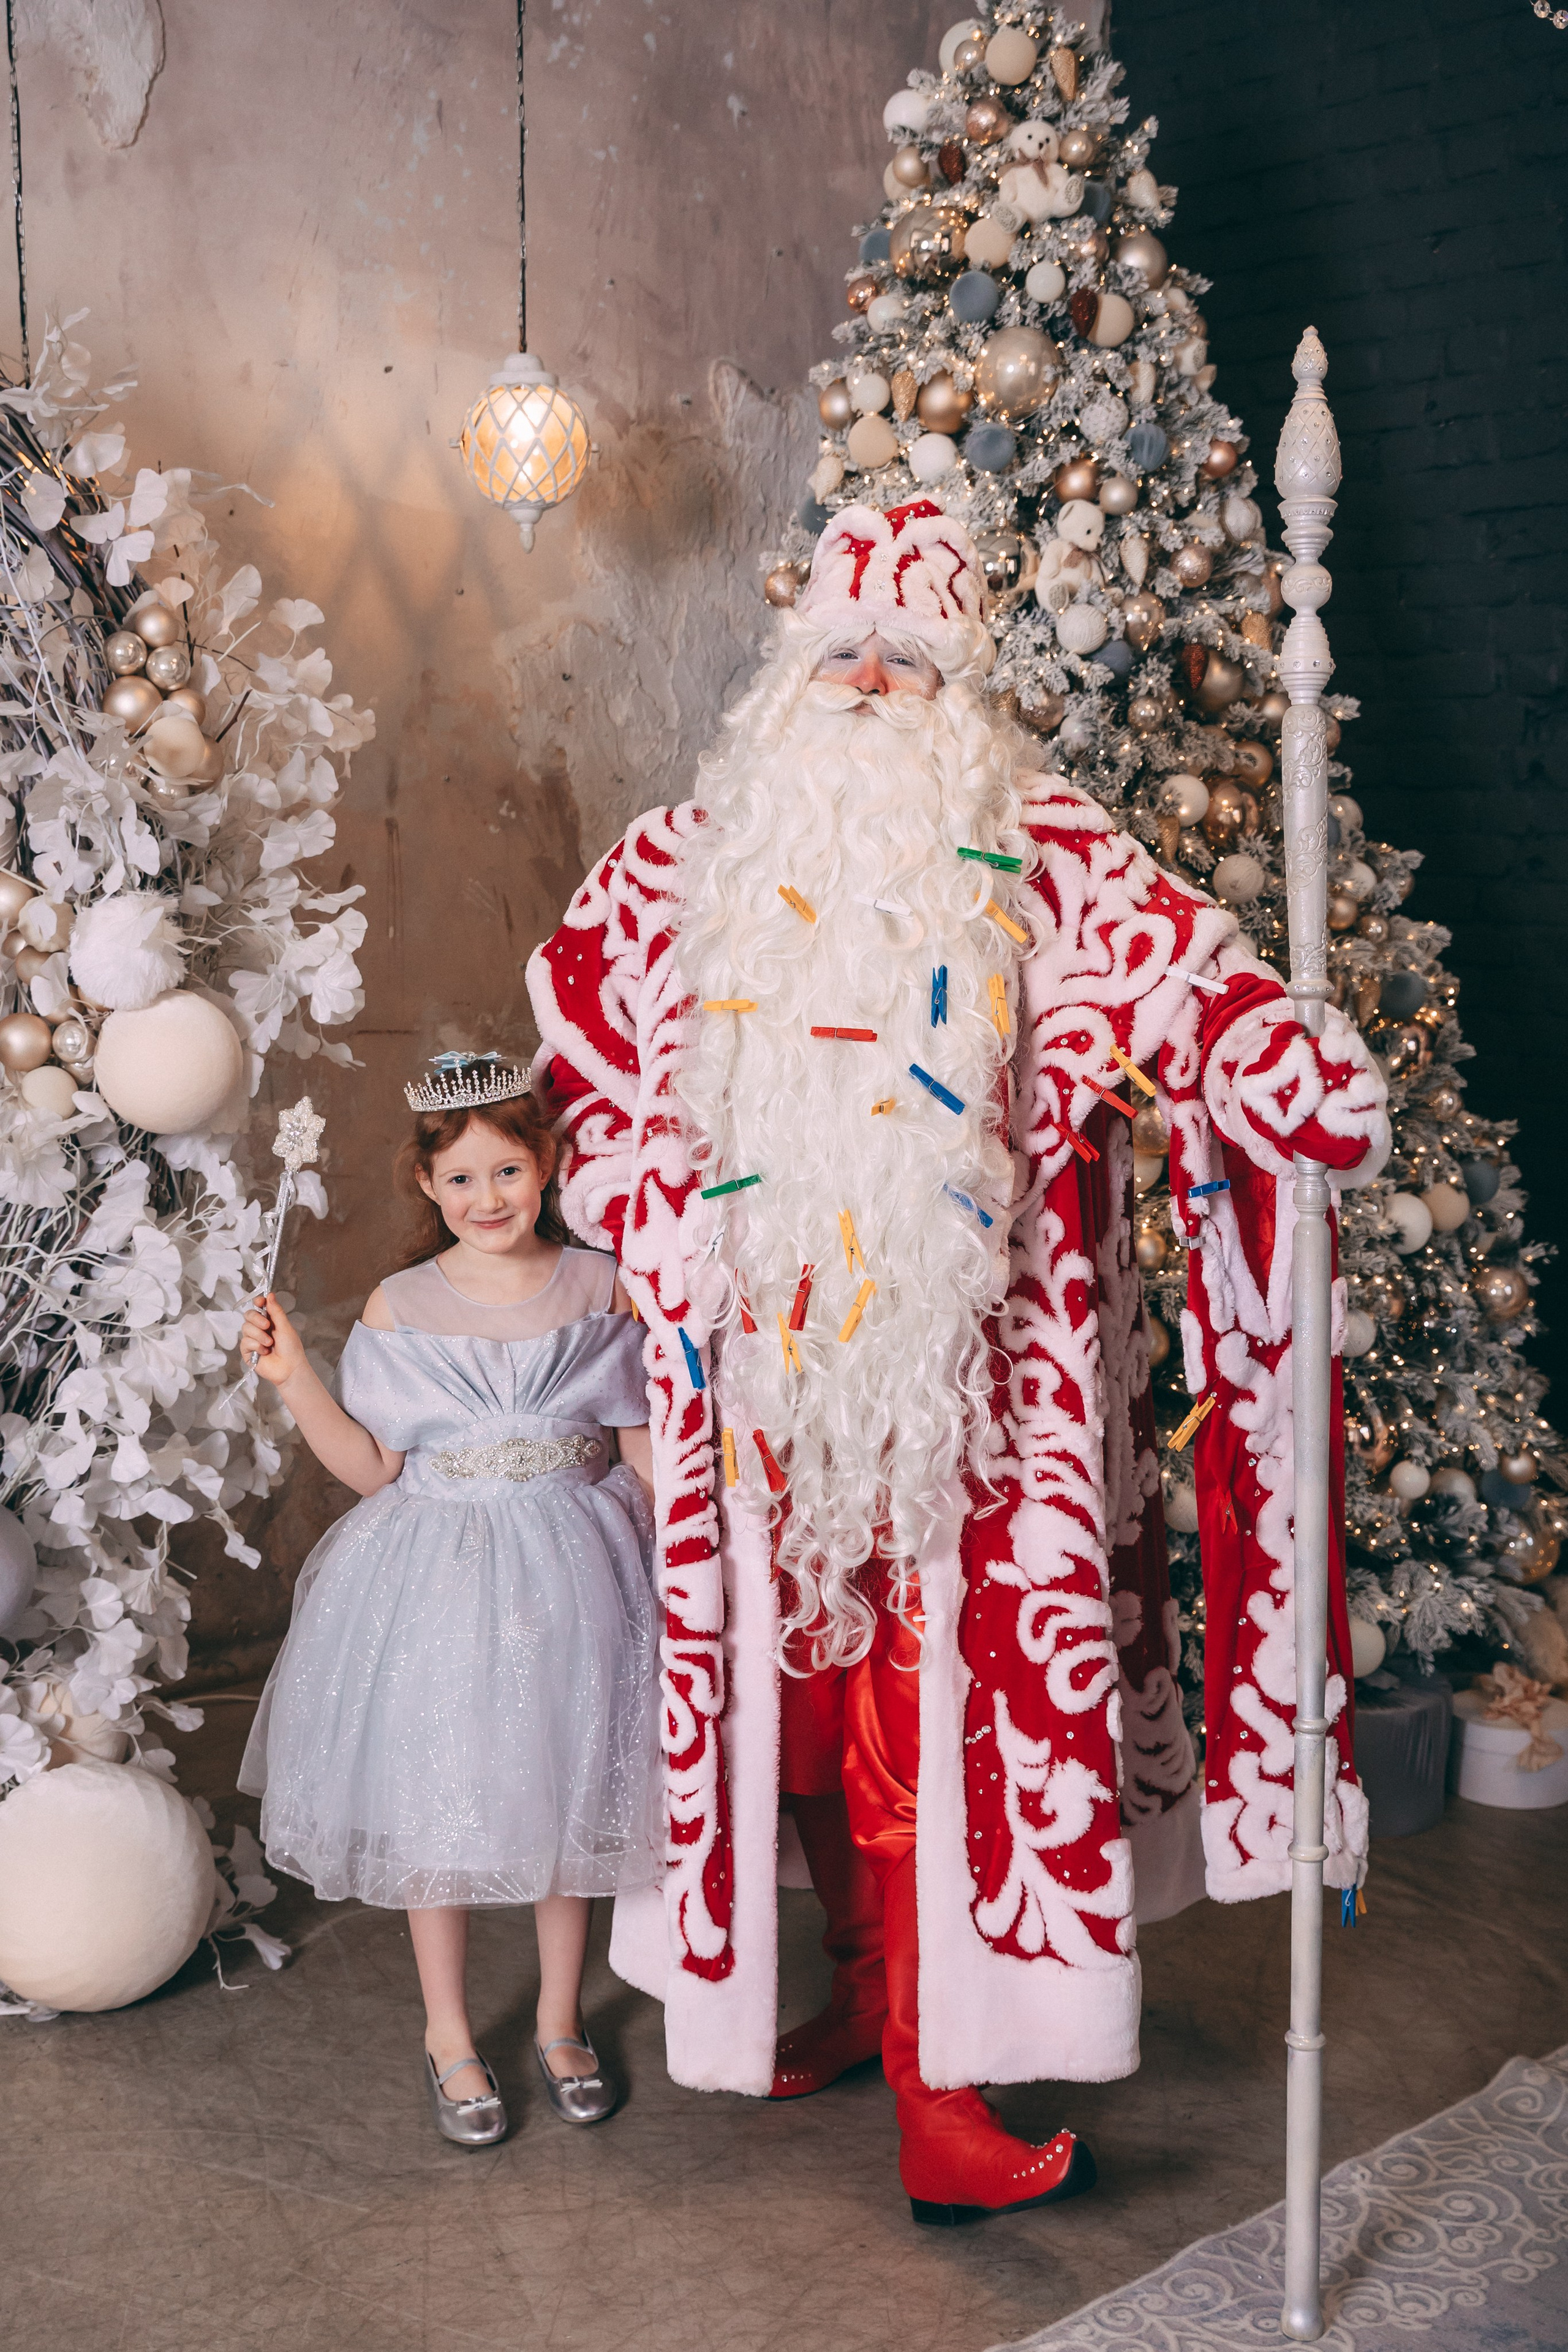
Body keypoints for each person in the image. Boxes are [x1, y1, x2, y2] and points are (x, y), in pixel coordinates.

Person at [526, 499, 1389, 2223]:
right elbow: (576, 1045)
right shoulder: (686, 855)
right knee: (799, 1714)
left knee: (934, 1721)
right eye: (841, 645)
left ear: (961, 677)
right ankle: (853, 1990)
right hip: (754, 1391)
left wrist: (1283, 1072)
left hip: (973, 1388)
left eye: (908, 656)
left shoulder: (1048, 845)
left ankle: (939, 2077)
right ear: (791, 664)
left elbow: (1191, 1001)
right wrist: (641, 1199)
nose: (865, 674)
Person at [238, 1057, 661, 2147]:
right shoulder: (403, 1303)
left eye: (509, 1169)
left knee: (570, 1793)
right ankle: (447, 2032)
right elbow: (375, 1467)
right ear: (426, 1184)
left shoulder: (602, 1281)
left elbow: (642, 1449)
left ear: (548, 1165)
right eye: (463, 1177)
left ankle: (562, 2021)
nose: (489, 1199)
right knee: (446, 1793)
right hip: (442, 1578)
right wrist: (297, 1381)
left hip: (583, 1571)